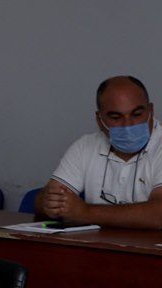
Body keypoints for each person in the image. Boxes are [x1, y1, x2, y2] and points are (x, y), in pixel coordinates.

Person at [37, 75, 162, 229]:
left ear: (151, 110)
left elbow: (158, 215)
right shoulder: (85, 146)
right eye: (116, 117)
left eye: (137, 114)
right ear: (99, 120)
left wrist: (85, 212)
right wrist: (51, 204)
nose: (128, 124)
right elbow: (44, 198)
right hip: (98, 242)